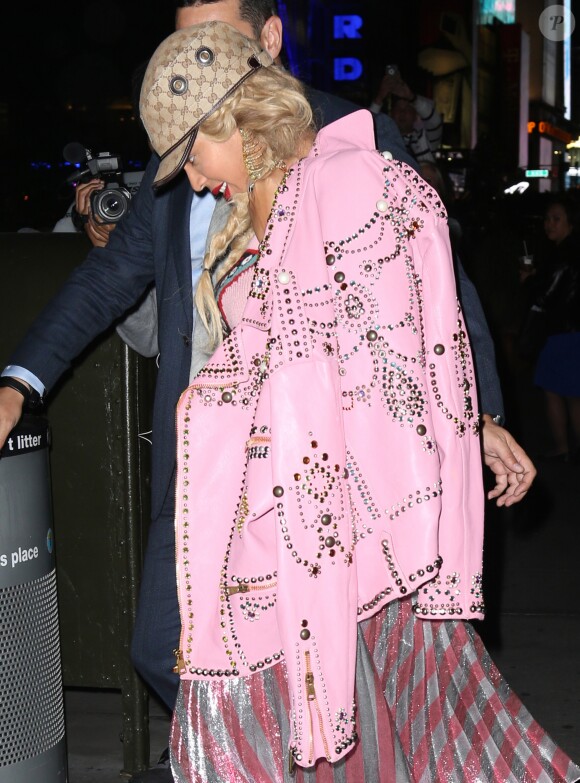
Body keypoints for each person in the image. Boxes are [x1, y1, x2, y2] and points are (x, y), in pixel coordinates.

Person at [0, 2, 535, 781]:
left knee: (329, 680)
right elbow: (107, 283)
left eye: (208, 38)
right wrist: (20, 378)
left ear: (263, 47)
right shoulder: (206, 164)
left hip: (320, 488)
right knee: (174, 650)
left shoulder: (344, 154)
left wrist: (472, 415)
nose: (187, 176)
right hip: (215, 473)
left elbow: (429, 298)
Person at [135, 21, 579, 782]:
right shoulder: (271, 210)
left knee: (368, 733)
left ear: (231, 120)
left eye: (194, 155)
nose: (198, 181)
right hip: (275, 536)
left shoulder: (352, 183)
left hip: (348, 531)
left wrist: (473, 421)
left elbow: (410, 339)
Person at [531, 196, 580, 462]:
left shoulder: (563, 254)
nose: (549, 224)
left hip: (562, 333)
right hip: (573, 331)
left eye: (556, 219)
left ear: (570, 223)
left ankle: (563, 447)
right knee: (573, 395)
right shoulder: (568, 250)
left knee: (554, 392)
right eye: (547, 219)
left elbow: (545, 298)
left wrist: (529, 282)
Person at [370, 68, 442, 164]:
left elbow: (435, 122)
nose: (402, 113)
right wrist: (380, 97)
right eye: (398, 109)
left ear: (415, 115)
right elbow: (366, 128)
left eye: (407, 109)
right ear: (391, 114)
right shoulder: (383, 139)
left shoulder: (425, 139)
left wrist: (411, 97)